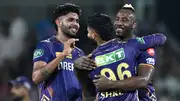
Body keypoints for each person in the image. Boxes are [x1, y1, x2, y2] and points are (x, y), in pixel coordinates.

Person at [75, 4, 158, 101]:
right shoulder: (130, 48)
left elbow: (143, 81)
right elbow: (91, 92)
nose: (119, 23)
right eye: (117, 19)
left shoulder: (91, 59)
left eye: (124, 20)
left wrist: (110, 84)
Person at [32, 3, 84, 101]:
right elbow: (36, 77)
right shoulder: (46, 46)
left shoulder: (79, 53)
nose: (75, 24)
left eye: (77, 21)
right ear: (58, 22)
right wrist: (63, 55)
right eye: (70, 20)